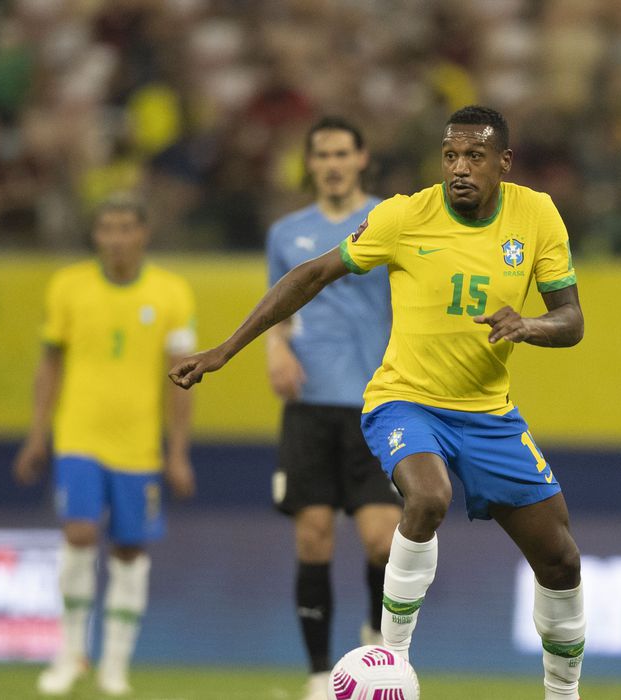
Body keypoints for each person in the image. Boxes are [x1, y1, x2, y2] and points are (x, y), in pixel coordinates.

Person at [172, 106, 586, 700]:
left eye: (474, 156)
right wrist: (226, 350)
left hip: (489, 414)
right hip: (404, 401)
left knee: (561, 560)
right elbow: (311, 275)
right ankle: (390, 660)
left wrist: (529, 326)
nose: (459, 168)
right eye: (450, 156)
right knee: (429, 496)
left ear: (504, 162)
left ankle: (563, 693)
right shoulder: (402, 216)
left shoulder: (537, 213)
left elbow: (571, 320)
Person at [14, 193, 197, 697]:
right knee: (78, 532)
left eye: (125, 228)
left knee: (129, 549)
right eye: (107, 228)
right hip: (79, 436)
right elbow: (49, 365)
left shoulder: (171, 293)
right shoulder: (68, 286)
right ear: (95, 235)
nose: (116, 238)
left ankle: (115, 666)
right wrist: (37, 435)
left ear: (143, 234)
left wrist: (178, 452)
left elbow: (182, 379)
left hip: (138, 446)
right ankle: (70, 654)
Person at [265, 116, 401, 700]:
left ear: (362, 158)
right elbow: (278, 305)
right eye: (322, 154)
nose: (333, 164)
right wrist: (274, 348)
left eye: (342, 153)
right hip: (310, 406)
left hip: (377, 404)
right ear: (310, 164)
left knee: (383, 541)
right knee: (313, 536)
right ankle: (320, 675)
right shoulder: (287, 233)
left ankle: (374, 640)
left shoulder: (392, 221)